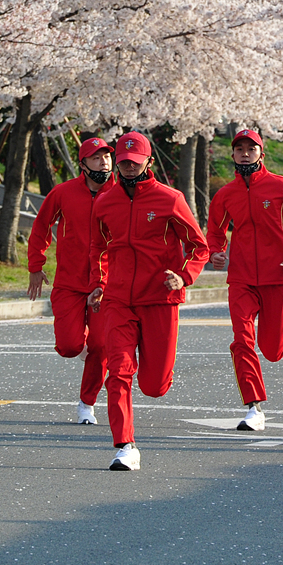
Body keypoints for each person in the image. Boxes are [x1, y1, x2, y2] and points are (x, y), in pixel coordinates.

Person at [88, 131, 211, 471]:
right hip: (118, 300)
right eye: (123, 162)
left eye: (135, 162)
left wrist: (183, 276)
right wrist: (98, 284)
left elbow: (199, 246)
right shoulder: (105, 201)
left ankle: (156, 381)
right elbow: (97, 247)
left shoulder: (170, 199)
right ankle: (125, 446)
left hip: (159, 299)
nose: (128, 168)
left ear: (148, 162)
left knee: (155, 385)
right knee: (119, 372)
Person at [206, 128, 283, 431]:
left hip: (278, 276)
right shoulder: (225, 195)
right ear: (233, 155)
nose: (245, 153)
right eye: (239, 149)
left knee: (271, 350)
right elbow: (215, 231)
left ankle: (281, 332)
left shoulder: (282, 187)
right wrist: (215, 252)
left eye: (251, 149)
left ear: (261, 154)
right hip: (241, 278)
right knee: (242, 340)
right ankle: (253, 407)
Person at [27, 136, 116, 426]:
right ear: (83, 164)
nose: (103, 161)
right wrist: (35, 266)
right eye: (95, 157)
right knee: (69, 347)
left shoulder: (122, 193)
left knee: (102, 346)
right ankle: (83, 340)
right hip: (68, 281)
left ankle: (86, 403)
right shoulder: (63, 193)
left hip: (105, 283)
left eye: (106, 156)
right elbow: (41, 227)